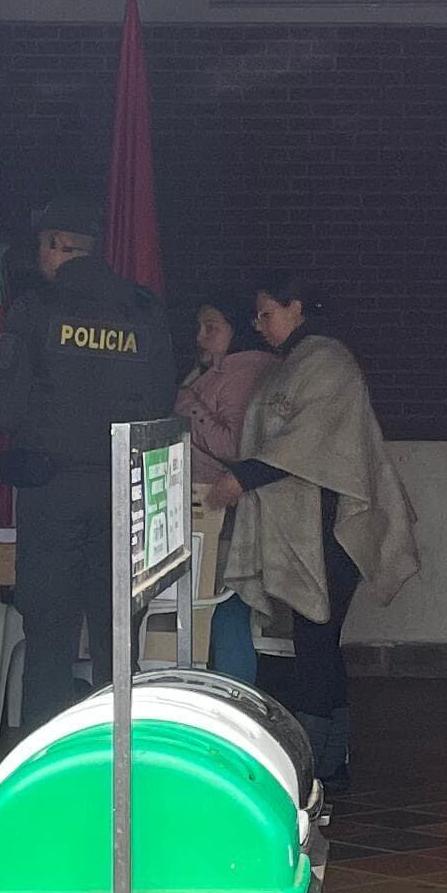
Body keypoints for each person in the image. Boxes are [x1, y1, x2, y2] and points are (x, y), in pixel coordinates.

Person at [0, 186, 174, 715]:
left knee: (48, 638)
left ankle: (46, 752)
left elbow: (0, 414)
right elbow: (162, 407)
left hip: (52, 495)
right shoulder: (144, 309)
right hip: (123, 498)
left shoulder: (35, 309)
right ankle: (119, 752)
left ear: (56, 244)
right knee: (117, 641)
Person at [224, 273, 423, 790]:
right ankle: (331, 764)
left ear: (296, 308)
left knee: (317, 644)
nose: (258, 324)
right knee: (319, 645)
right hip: (307, 525)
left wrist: (242, 479)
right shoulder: (291, 364)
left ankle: (316, 765)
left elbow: (307, 441)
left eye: (267, 313)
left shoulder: (329, 361)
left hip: (330, 527)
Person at [176, 292, 270, 685]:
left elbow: (234, 447)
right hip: (206, 509)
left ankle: (234, 692)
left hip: (223, 509)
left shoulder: (243, 371)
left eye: (211, 328)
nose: (201, 337)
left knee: (226, 600)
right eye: (199, 327)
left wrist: (191, 404)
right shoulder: (216, 370)